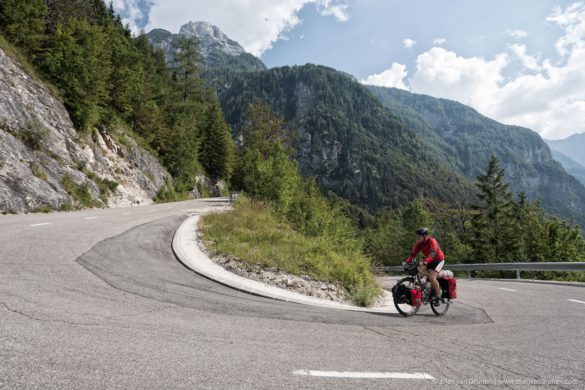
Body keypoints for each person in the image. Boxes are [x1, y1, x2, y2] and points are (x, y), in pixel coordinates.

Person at [405, 228, 445, 305]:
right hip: (430, 261)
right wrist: (407, 262)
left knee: (432, 277)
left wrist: (425, 262)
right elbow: (413, 254)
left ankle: (438, 296)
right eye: (417, 237)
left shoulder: (432, 241)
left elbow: (433, 253)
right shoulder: (419, 243)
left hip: (438, 260)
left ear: (425, 236)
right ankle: (422, 292)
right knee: (418, 273)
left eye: (419, 237)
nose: (418, 238)